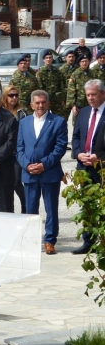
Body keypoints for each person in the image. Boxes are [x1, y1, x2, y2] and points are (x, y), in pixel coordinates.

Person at [16, 90, 67, 255]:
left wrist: (44, 164)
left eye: (43, 102)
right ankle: (31, 240)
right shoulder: (24, 123)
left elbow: (60, 148)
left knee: (51, 208)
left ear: (48, 103)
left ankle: (49, 241)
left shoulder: (58, 121)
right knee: (30, 209)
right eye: (37, 103)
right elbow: (19, 148)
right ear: (31, 105)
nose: (40, 105)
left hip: (49, 172)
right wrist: (26, 165)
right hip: (29, 173)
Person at [71, 79, 105, 254]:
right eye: (88, 95)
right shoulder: (84, 112)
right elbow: (76, 136)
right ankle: (88, 242)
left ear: (103, 94)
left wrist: (99, 157)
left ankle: (103, 243)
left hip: (102, 167)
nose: (90, 98)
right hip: (84, 167)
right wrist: (78, 154)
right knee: (87, 206)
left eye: (94, 94)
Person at [2, 85, 28, 213]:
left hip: (17, 151)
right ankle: (8, 210)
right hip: (3, 151)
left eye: (16, 95)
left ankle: (25, 205)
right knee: (5, 184)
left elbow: (25, 132)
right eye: (11, 95)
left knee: (16, 182)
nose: (14, 98)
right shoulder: (0, 111)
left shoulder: (22, 112)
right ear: (5, 96)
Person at [67, 55, 96, 126]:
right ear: (79, 63)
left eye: (86, 61)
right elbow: (71, 91)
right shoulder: (75, 74)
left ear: (89, 62)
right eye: (82, 61)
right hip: (79, 105)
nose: (84, 63)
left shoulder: (93, 74)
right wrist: (73, 106)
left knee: (90, 124)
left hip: (91, 104)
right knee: (77, 125)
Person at [37, 52, 67, 119]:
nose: (48, 59)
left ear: (52, 59)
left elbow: (61, 85)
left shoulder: (56, 71)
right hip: (45, 99)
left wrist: (62, 99)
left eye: (50, 58)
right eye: (46, 58)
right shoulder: (40, 72)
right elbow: (39, 87)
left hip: (56, 99)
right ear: (43, 60)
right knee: (44, 117)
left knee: (58, 117)